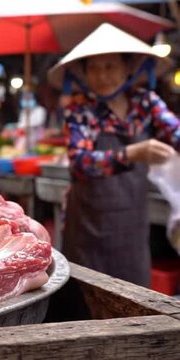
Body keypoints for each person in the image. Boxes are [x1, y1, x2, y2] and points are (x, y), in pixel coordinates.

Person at [47, 23, 180, 287]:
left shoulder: (145, 102)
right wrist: (134, 152)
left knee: (134, 291)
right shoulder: (79, 110)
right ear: (83, 73)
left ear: (127, 68)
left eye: (110, 67)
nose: (102, 76)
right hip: (89, 223)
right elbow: (81, 163)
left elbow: (175, 131)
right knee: (86, 296)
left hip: (132, 221)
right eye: (94, 68)